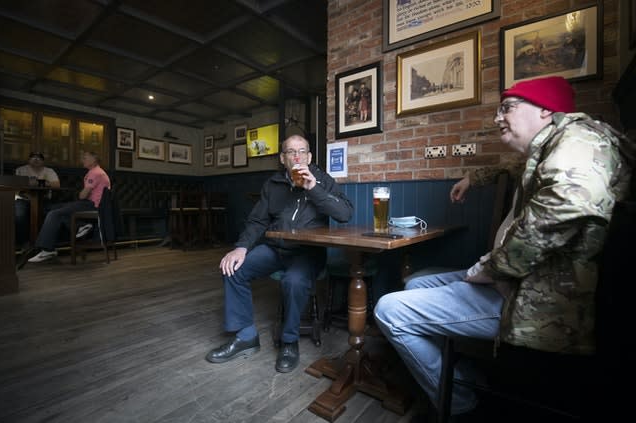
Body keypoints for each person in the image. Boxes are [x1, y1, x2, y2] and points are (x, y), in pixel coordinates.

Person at [373, 76, 634, 419]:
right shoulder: (549, 149)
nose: (497, 117)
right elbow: (510, 167)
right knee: (414, 282)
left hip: (530, 298)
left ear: (545, 111)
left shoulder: (580, 139)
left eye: (507, 107)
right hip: (514, 280)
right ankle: (460, 376)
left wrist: (495, 268)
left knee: (389, 309)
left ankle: (464, 404)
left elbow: (570, 203)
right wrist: (473, 178)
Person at [206, 135, 353, 373]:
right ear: (283, 158)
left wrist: (313, 188)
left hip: (308, 253)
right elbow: (256, 221)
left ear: (309, 157)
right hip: (276, 249)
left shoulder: (323, 180)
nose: (297, 157)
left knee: (293, 280)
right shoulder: (273, 184)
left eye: (302, 151)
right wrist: (241, 247)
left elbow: (345, 214)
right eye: (291, 152)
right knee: (233, 269)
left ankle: (289, 341)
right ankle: (246, 337)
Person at [28, 151, 111, 263]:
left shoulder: (95, 173)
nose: (82, 160)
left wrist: (81, 194)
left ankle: (47, 249)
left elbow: (83, 195)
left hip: (92, 205)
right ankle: (81, 226)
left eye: (85, 158)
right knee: (51, 209)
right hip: (93, 204)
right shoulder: (99, 172)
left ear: (94, 159)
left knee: (54, 213)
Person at [14, 152, 61, 248]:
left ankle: (42, 243)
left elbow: (57, 185)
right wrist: (45, 182)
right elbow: (16, 184)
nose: (36, 159)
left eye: (39, 158)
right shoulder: (21, 170)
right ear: (28, 160)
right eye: (33, 157)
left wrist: (39, 182)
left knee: (53, 213)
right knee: (19, 214)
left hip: (43, 199)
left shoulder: (49, 171)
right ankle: (23, 243)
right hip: (23, 199)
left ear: (43, 161)